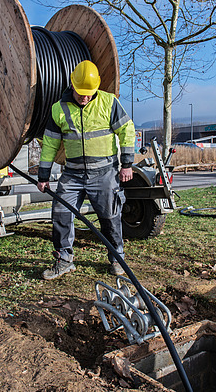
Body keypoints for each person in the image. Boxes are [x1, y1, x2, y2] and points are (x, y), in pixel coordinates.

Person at [37, 60, 135, 280]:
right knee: (61, 215)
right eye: (81, 92)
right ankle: (64, 260)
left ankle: (117, 258)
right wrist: (43, 176)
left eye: (89, 93)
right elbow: (50, 144)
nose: (85, 97)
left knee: (110, 217)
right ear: (72, 85)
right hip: (72, 175)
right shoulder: (58, 110)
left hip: (105, 174)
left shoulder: (109, 103)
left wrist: (127, 163)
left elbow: (127, 131)